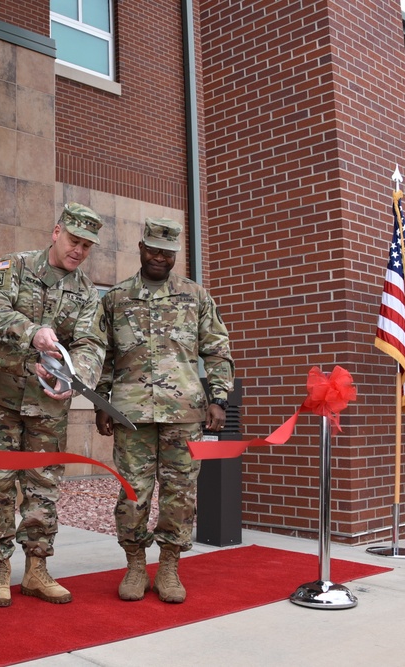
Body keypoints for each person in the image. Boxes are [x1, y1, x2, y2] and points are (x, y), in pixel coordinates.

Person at [0, 202, 107, 608]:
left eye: (87, 246)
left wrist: (76, 380)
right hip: (1, 396)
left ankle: (37, 569)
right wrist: (33, 332)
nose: (79, 250)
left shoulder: (86, 293)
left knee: (43, 485)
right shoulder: (15, 266)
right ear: (56, 232)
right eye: (74, 240)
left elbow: (90, 344)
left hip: (48, 403)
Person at [95, 217, 234, 604]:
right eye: (153, 250)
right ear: (140, 248)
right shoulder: (116, 297)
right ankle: (136, 564)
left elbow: (217, 349)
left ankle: (170, 565)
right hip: (129, 414)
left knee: (180, 493)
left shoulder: (196, 296)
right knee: (132, 493)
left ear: (175, 254)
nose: (160, 258)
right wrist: (101, 403)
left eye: (167, 253)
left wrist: (219, 399)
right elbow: (103, 354)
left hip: (184, 412)